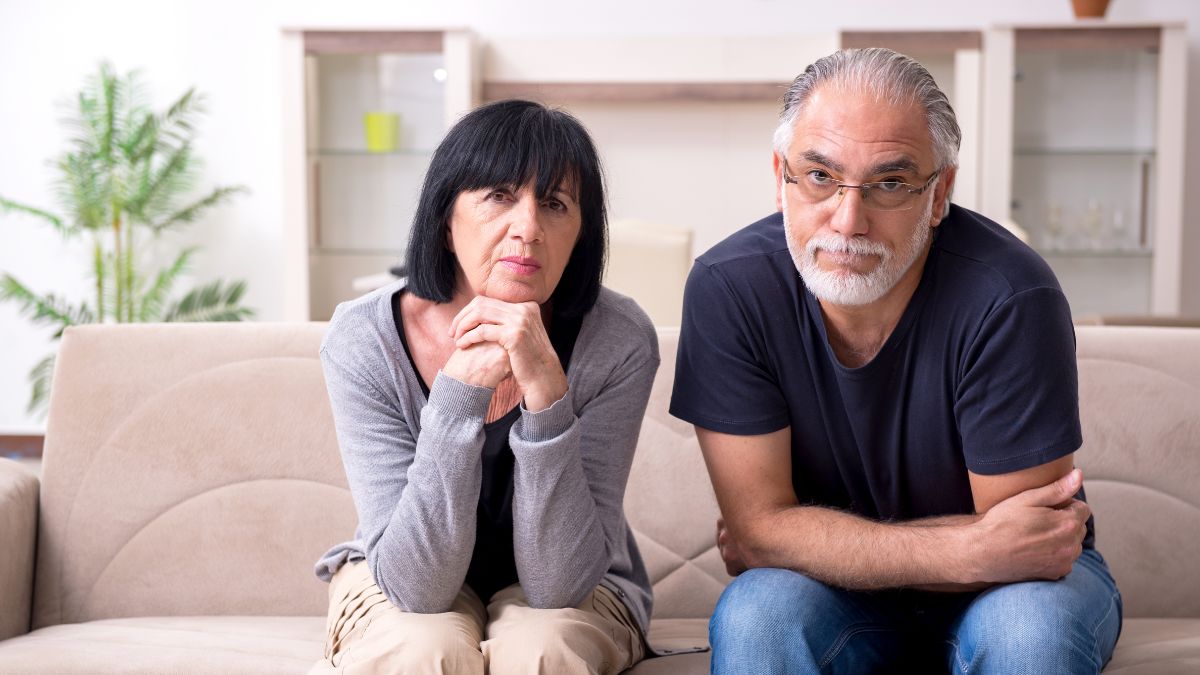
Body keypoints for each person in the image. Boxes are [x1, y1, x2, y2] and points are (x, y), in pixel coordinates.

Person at [669, 48, 1122, 673]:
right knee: (758, 617)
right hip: (828, 596)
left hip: (1012, 593)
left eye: (889, 183)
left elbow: (1025, 551)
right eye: (821, 177)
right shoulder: (730, 288)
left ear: (939, 194)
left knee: (1026, 633)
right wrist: (967, 548)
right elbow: (757, 532)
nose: (848, 220)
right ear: (781, 177)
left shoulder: (1011, 295)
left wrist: (800, 539)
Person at [310, 99, 657, 674]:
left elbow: (557, 586)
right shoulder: (363, 338)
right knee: (425, 648)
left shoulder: (618, 340)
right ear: (446, 222)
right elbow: (415, 588)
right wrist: (459, 392)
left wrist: (548, 392)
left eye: (555, 204)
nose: (528, 228)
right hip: (401, 574)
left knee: (543, 646)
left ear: (581, 235)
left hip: (578, 582)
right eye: (499, 195)